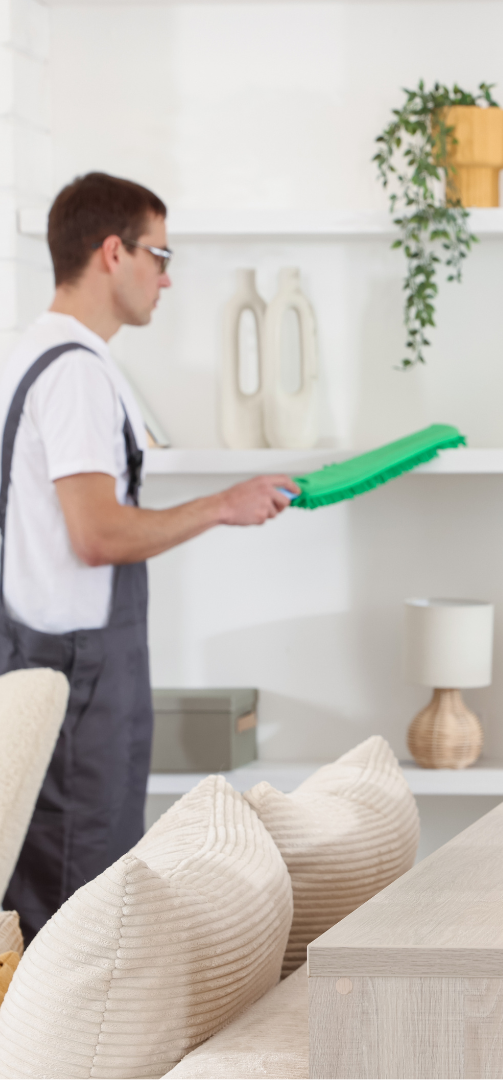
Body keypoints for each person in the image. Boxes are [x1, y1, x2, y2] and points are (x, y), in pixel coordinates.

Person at [0, 172, 299, 941]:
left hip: (47, 664)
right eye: (159, 255)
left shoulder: (30, 355)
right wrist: (223, 507)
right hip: (79, 688)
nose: (166, 278)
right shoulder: (76, 374)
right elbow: (96, 533)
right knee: (79, 919)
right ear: (112, 252)